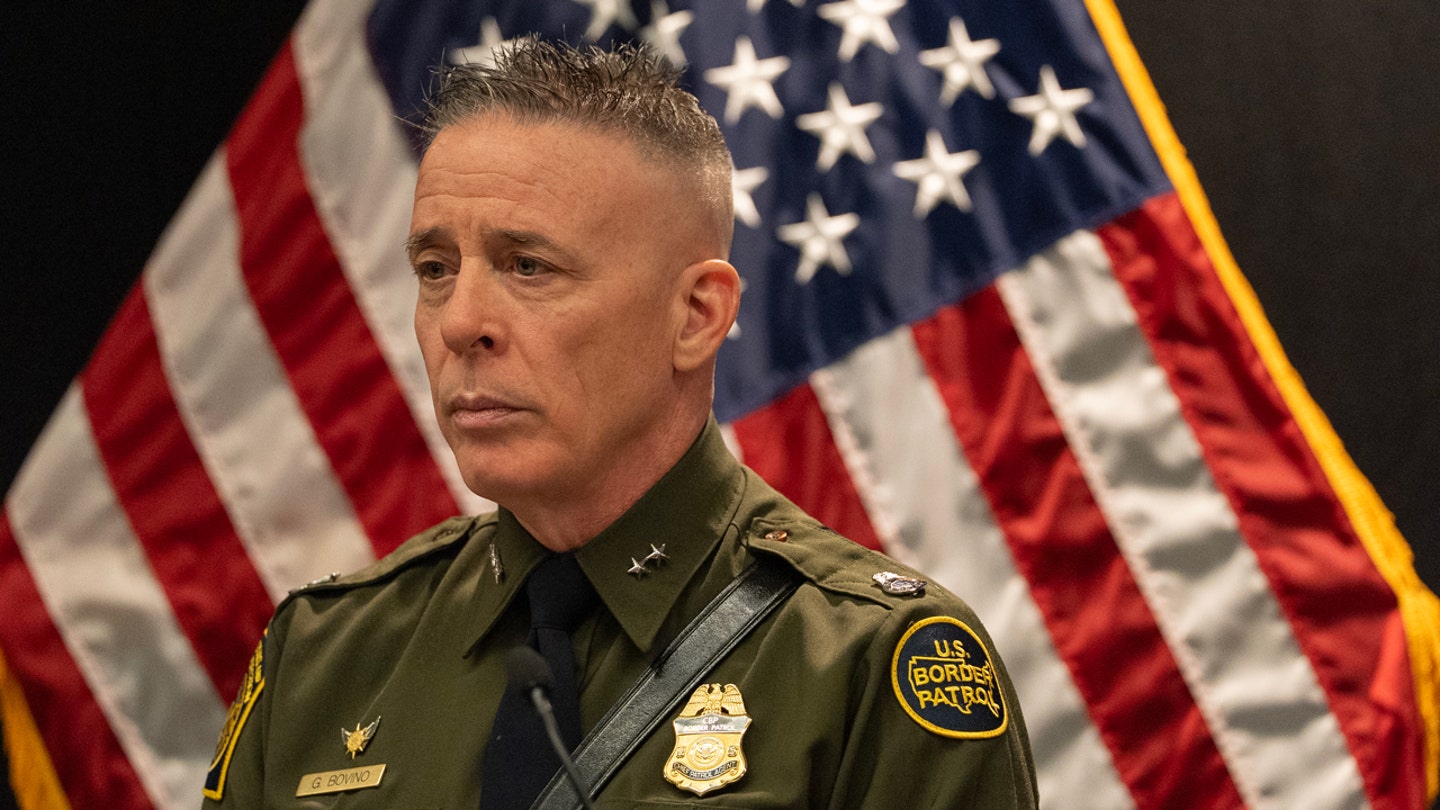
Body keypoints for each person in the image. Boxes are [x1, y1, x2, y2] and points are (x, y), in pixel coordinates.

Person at [202, 37, 1037, 809]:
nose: (461, 322)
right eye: (435, 268)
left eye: (529, 266)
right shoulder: (326, 655)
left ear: (697, 317)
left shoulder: (866, 667)